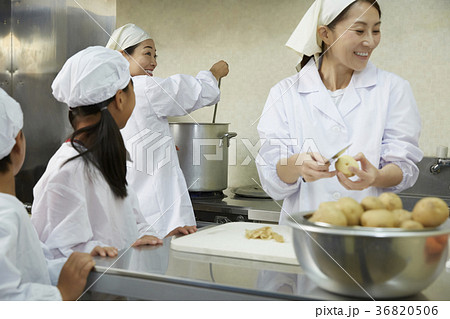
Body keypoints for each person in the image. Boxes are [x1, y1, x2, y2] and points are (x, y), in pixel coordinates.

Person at [256, 0, 423, 224]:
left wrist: (378, 176)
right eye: (359, 30)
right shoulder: (284, 93)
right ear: (325, 33)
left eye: (376, 30)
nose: (370, 41)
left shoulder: (393, 89)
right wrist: (298, 164)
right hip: (303, 235)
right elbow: (272, 176)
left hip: (367, 234)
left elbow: (405, 165)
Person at [31, 46, 163, 259]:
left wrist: (143, 237)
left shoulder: (102, 160)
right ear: (120, 99)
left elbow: (125, 221)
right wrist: (89, 251)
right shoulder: (69, 169)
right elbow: (50, 253)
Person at [106, 24, 229, 237]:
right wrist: (213, 73)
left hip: (129, 207)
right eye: (147, 54)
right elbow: (195, 92)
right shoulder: (145, 87)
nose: (153, 62)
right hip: (158, 212)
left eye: (155, 55)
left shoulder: (108, 91)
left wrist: (162, 144)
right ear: (123, 55)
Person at [0, 88, 95, 300]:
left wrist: (74, 264)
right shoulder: (5, 214)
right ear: (17, 142)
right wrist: (61, 295)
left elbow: (33, 265)